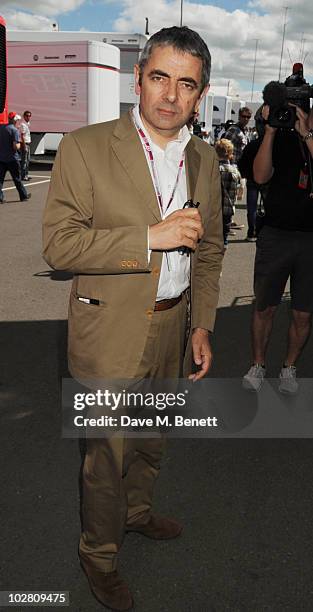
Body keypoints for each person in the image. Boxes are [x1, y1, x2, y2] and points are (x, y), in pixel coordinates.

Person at [43, 26, 223, 611]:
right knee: (105, 456)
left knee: (151, 438)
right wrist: (150, 237)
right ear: (138, 78)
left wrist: (201, 325)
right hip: (106, 334)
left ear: (201, 94)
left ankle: (139, 512)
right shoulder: (85, 147)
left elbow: (212, 249)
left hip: (173, 326)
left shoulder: (203, 159)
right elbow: (60, 246)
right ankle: (98, 557)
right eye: (159, 78)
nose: (171, 95)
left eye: (186, 84)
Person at [243, 103, 313, 394]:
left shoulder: (308, 138)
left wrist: (308, 137)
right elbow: (259, 177)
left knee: (303, 313)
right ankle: (258, 364)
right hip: (275, 235)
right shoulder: (279, 139)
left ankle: (289, 366)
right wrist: (270, 129)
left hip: (310, 240)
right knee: (265, 307)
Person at [215, 138, 241, 246]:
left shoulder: (214, 168)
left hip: (214, 208)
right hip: (228, 208)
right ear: (230, 154)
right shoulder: (234, 171)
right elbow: (238, 189)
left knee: (213, 234)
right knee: (224, 234)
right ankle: (223, 249)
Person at [0, 112, 30, 203]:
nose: (17, 121)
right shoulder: (14, 130)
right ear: (14, 120)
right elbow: (15, 146)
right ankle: (23, 196)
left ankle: (0, 198)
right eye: (17, 120)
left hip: (1, 158)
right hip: (12, 159)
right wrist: (20, 146)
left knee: (0, 179)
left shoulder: (1, 128)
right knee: (17, 179)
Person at [19, 110, 32, 180]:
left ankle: (26, 174)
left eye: (29, 116)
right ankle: (23, 176)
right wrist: (24, 146)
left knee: (28, 160)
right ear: (24, 116)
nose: (28, 117)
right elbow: (21, 135)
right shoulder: (23, 125)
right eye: (27, 116)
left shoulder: (27, 123)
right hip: (25, 144)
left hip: (28, 143)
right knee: (24, 161)